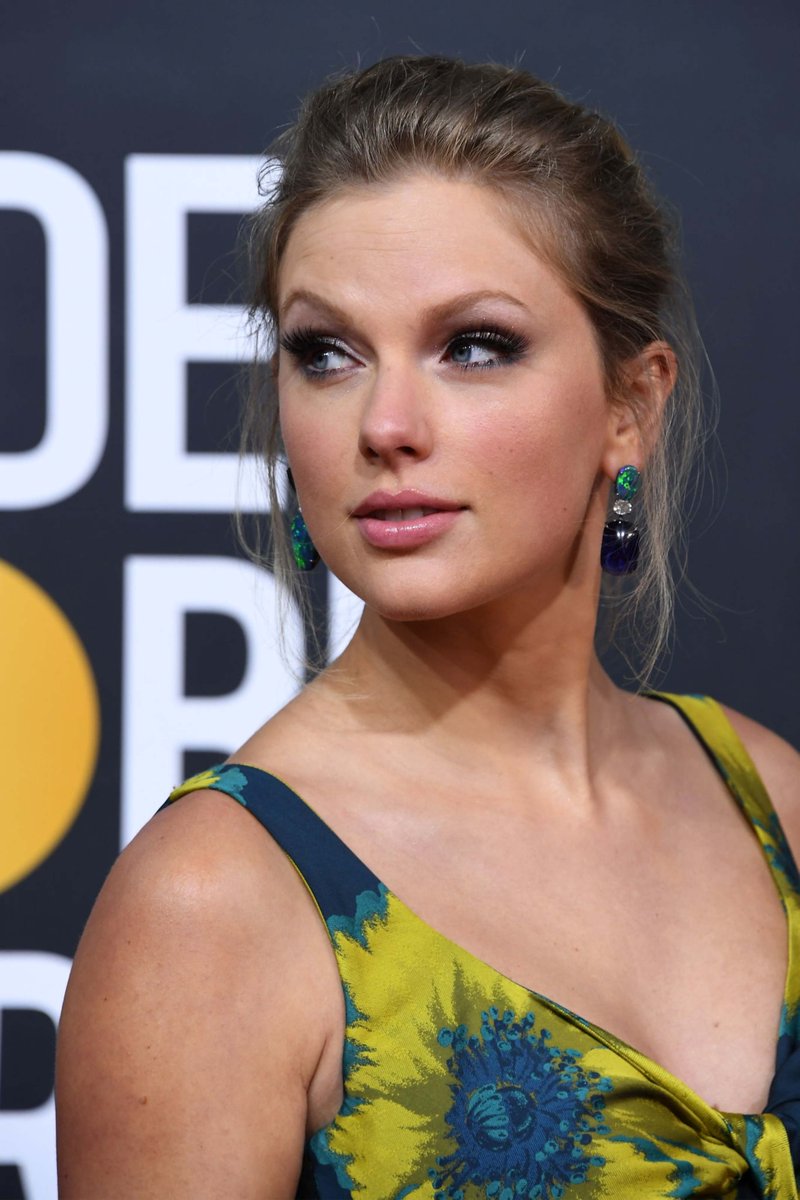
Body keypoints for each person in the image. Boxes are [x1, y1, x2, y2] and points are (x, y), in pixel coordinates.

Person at [55, 56, 800, 1198]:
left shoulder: (771, 799)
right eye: (326, 354)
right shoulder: (212, 907)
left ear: (630, 405)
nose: (385, 423)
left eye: (473, 346)